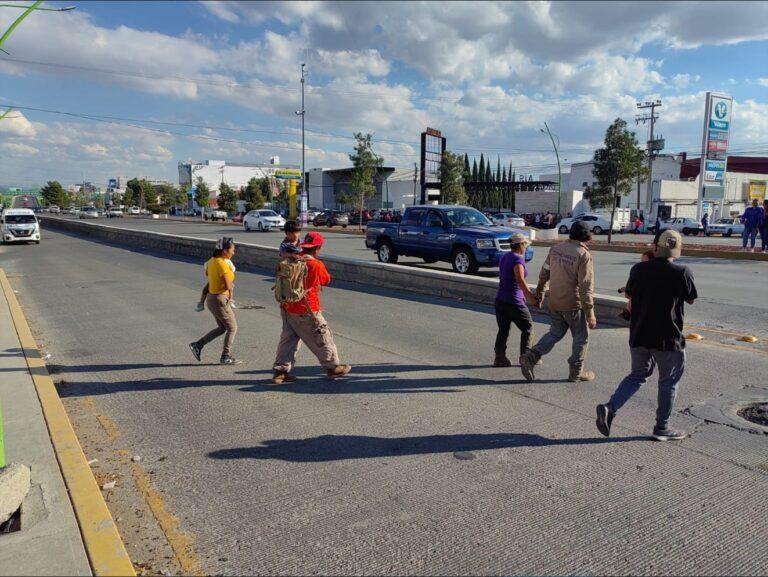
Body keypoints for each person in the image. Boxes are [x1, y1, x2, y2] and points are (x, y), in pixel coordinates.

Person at [596, 230, 698, 441]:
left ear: (655, 247)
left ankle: (610, 408)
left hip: (639, 334)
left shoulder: (638, 269)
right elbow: (690, 299)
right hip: (668, 338)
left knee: (637, 375)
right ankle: (662, 427)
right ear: (676, 251)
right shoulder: (682, 272)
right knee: (668, 381)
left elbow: (630, 294)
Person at [520, 221, 596, 383]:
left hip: (554, 301)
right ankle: (576, 372)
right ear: (587, 236)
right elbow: (585, 286)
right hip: (573, 304)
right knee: (581, 337)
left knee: (555, 333)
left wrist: (540, 292)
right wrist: (590, 313)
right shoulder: (583, 255)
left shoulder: (555, 249)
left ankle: (531, 356)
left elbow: (544, 272)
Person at [272, 231, 352, 384]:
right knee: (323, 337)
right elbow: (326, 280)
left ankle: (280, 372)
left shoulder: (292, 260)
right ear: (317, 248)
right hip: (308, 309)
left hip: (288, 307)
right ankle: (332, 367)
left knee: (288, 340)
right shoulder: (315, 264)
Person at [190, 237, 241, 365]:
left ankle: (198, 345)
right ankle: (225, 356)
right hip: (220, 299)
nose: (233, 252)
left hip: (212, 299)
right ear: (224, 250)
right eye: (232, 250)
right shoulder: (222, 264)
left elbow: (209, 277)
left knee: (222, 328)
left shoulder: (212, 261)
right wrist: (230, 298)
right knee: (232, 328)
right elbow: (228, 285)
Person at [493, 232, 539, 367]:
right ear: (520, 245)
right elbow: (520, 280)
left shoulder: (505, 256)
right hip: (514, 301)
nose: (526, 248)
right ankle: (525, 358)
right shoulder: (518, 259)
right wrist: (531, 298)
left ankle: (499, 358)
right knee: (528, 328)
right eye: (525, 245)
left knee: (503, 329)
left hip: (500, 299)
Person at [617, 250, 654, 321]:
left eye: (644, 262)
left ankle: (627, 312)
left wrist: (627, 289)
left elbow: (628, 293)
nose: (641, 264)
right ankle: (627, 312)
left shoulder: (639, 271)